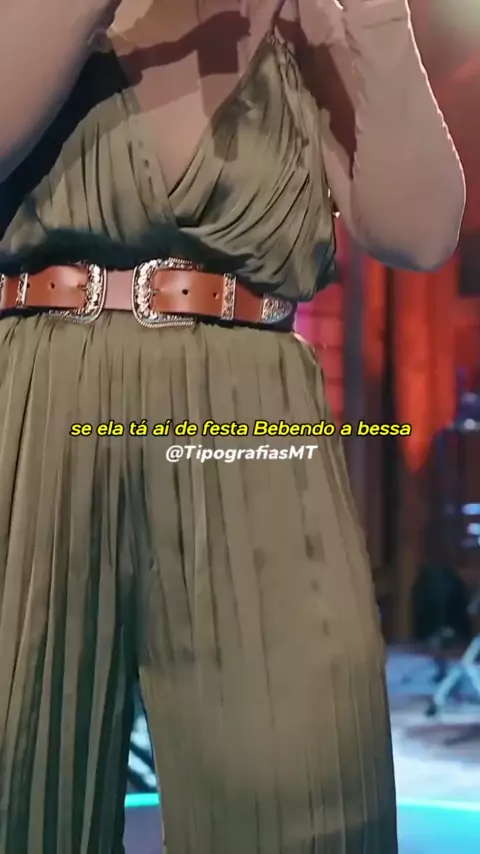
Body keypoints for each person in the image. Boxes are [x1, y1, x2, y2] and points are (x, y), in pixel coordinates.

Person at [0, 0, 464, 852]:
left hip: (251, 412)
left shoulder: (298, 17)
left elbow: (422, 232)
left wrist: (378, 27)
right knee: (20, 783)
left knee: (307, 786)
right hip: (37, 404)